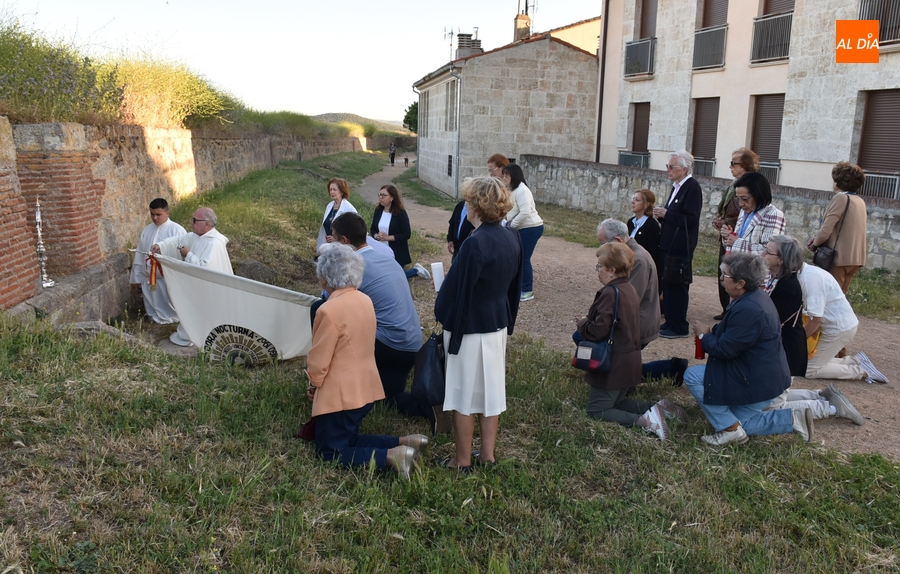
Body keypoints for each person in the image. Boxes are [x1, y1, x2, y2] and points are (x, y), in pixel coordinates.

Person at [306, 243, 427, 480]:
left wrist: (313, 383)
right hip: (366, 388)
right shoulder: (365, 300)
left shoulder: (328, 310)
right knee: (347, 438)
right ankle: (404, 442)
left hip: (342, 396)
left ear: (324, 279)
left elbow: (319, 362)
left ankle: (392, 457)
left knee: (329, 451)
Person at [433, 175, 523, 471]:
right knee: (491, 393)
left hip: (469, 327)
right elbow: (515, 287)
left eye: (469, 201)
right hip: (496, 323)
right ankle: (487, 455)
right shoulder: (512, 236)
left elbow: (459, 293)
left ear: (476, 205)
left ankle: (461, 461)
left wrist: (443, 311)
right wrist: (508, 321)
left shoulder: (475, 243)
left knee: (463, 395)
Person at [684, 252, 814, 446]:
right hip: (762, 374)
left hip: (755, 379)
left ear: (740, 283)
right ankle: (792, 419)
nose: (721, 279)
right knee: (737, 421)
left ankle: (730, 430)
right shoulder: (756, 298)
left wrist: (704, 335)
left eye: (725, 275)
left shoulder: (750, 309)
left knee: (693, 376)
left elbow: (725, 350)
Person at [330, 213, 430, 422]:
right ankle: (430, 407)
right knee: (388, 396)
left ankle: (334, 377)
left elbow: (332, 302)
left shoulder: (353, 267)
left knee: (321, 310)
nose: (331, 244)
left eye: (334, 239)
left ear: (345, 241)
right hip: (410, 347)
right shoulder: (387, 258)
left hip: (387, 346)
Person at [576, 242, 681, 439]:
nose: (598, 271)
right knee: (615, 403)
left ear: (612, 270)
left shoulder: (609, 293)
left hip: (613, 363)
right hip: (629, 360)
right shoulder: (629, 288)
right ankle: (658, 408)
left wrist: (582, 323)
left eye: (600, 266)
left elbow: (598, 331)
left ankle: (647, 422)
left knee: (597, 410)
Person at [151, 207, 233, 346]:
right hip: (196, 289)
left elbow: (205, 269)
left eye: (195, 220)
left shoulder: (214, 243)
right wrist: (160, 246)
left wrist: (187, 254)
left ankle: (203, 336)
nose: (191, 223)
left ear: (207, 224)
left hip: (209, 291)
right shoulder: (196, 236)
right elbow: (177, 240)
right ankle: (191, 333)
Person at [797, 261, 888, 383]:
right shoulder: (808, 273)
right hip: (838, 325)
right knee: (807, 361)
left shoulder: (810, 279)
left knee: (807, 369)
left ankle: (862, 371)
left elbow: (816, 319)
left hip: (838, 329)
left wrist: (798, 340)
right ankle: (855, 361)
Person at [654, 150, 703, 339]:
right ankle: (670, 321)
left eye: (671, 167)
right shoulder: (677, 186)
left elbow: (691, 219)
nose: (668, 170)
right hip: (669, 243)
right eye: (668, 166)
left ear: (684, 168)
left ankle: (679, 325)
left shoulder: (692, 187)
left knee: (678, 285)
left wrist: (667, 215)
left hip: (681, 245)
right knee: (668, 284)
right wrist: (662, 216)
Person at [596, 219, 659, 348]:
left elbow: (629, 301)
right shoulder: (626, 255)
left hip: (637, 324)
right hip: (630, 320)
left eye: (603, 244)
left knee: (590, 343)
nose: (602, 249)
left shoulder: (637, 259)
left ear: (618, 241)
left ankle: (669, 365)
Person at [712, 148, 759, 319]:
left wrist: (726, 223)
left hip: (738, 238)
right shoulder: (734, 185)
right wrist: (720, 221)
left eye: (734, 163)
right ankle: (726, 308)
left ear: (745, 166)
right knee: (724, 270)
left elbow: (744, 214)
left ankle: (732, 308)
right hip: (727, 236)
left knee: (735, 272)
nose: (730, 166)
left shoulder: (750, 187)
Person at [807, 161, 868, 294]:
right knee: (841, 298)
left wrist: (815, 244)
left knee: (830, 297)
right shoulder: (860, 201)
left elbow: (826, 229)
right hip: (855, 258)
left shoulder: (841, 198)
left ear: (837, 181)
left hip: (838, 257)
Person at [130, 198, 186, 324]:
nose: (155, 218)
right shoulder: (147, 230)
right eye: (152, 214)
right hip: (149, 276)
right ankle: (153, 317)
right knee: (151, 299)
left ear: (167, 213)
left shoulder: (177, 230)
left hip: (167, 276)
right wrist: (137, 277)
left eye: (158, 214)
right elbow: (140, 253)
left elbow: (182, 255)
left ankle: (173, 319)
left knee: (169, 301)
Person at [762, 235, 808, 377]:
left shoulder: (789, 287)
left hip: (786, 352)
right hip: (778, 349)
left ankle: (819, 399)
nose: (763, 254)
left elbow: (772, 321)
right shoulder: (777, 279)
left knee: (776, 398)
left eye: (768, 252)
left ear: (781, 260)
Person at [501, 163, 544, 302]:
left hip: (531, 227)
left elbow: (525, 212)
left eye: (506, 176)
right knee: (518, 257)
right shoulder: (513, 190)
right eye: (504, 176)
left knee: (524, 258)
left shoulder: (522, 190)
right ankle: (518, 286)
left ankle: (527, 290)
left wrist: (511, 225)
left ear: (514, 176)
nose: (504, 179)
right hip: (522, 228)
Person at [370, 184, 430, 281]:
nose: (380, 198)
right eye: (380, 195)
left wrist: (388, 237)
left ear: (392, 198)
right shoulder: (378, 211)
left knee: (394, 279)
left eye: (384, 195)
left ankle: (416, 270)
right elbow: (373, 229)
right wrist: (376, 235)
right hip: (380, 251)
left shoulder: (400, 213)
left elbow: (406, 234)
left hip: (396, 252)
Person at [720, 171, 785, 256]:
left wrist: (736, 243)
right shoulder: (744, 212)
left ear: (758, 195)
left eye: (745, 199)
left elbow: (769, 253)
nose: (740, 204)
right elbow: (738, 241)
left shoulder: (774, 214)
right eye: (738, 199)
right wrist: (729, 235)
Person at [627, 189, 663, 293]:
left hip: (642, 271)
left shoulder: (652, 226)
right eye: (633, 199)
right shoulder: (631, 222)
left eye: (637, 200)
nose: (633, 202)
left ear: (646, 204)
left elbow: (653, 254)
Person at [317, 178, 357, 248]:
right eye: (330, 189)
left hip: (342, 248)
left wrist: (337, 239)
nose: (332, 192)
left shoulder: (349, 209)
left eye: (334, 190)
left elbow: (355, 231)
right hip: (327, 245)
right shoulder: (329, 206)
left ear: (342, 191)